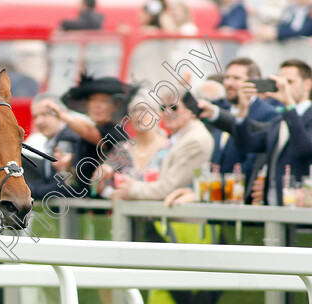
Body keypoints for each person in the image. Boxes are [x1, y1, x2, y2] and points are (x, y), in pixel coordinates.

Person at [232, 59, 312, 205]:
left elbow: (304, 149)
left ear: (307, 84)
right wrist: (242, 111)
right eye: (281, 83)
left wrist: (289, 105)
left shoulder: (300, 115)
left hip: (302, 207)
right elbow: (246, 145)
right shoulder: (279, 120)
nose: (284, 88)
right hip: (274, 204)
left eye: (290, 82)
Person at [197, 57, 280, 195]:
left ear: (254, 82)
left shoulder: (268, 114)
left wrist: (217, 187)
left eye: (236, 78)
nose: (229, 83)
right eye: (227, 77)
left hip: (241, 203)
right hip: (215, 202)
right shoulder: (221, 113)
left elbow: (252, 164)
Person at [111, 88, 213, 200]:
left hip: (179, 214)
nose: (167, 112)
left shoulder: (194, 140)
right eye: (163, 108)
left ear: (191, 111)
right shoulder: (181, 137)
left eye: (174, 107)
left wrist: (131, 189)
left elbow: (169, 187)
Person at [57, 74, 137, 197]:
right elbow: (78, 181)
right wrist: (68, 166)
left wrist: (61, 115)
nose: (97, 106)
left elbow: (88, 131)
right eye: (93, 100)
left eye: (103, 101)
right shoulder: (84, 137)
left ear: (115, 106)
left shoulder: (116, 132)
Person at [99, 91, 170, 198]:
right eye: (133, 111)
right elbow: (101, 188)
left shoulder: (170, 148)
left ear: (157, 114)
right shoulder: (122, 149)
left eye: (143, 109)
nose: (137, 115)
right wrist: (101, 178)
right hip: (125, 212)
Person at [23, 94, 82, 199]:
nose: (39, 121)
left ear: (61, 114)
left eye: (45, 114)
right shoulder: (55, 140)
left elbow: (62, 188)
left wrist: (24, 191)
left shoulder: (67, 139)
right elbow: (48, 180)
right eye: (36, 116)